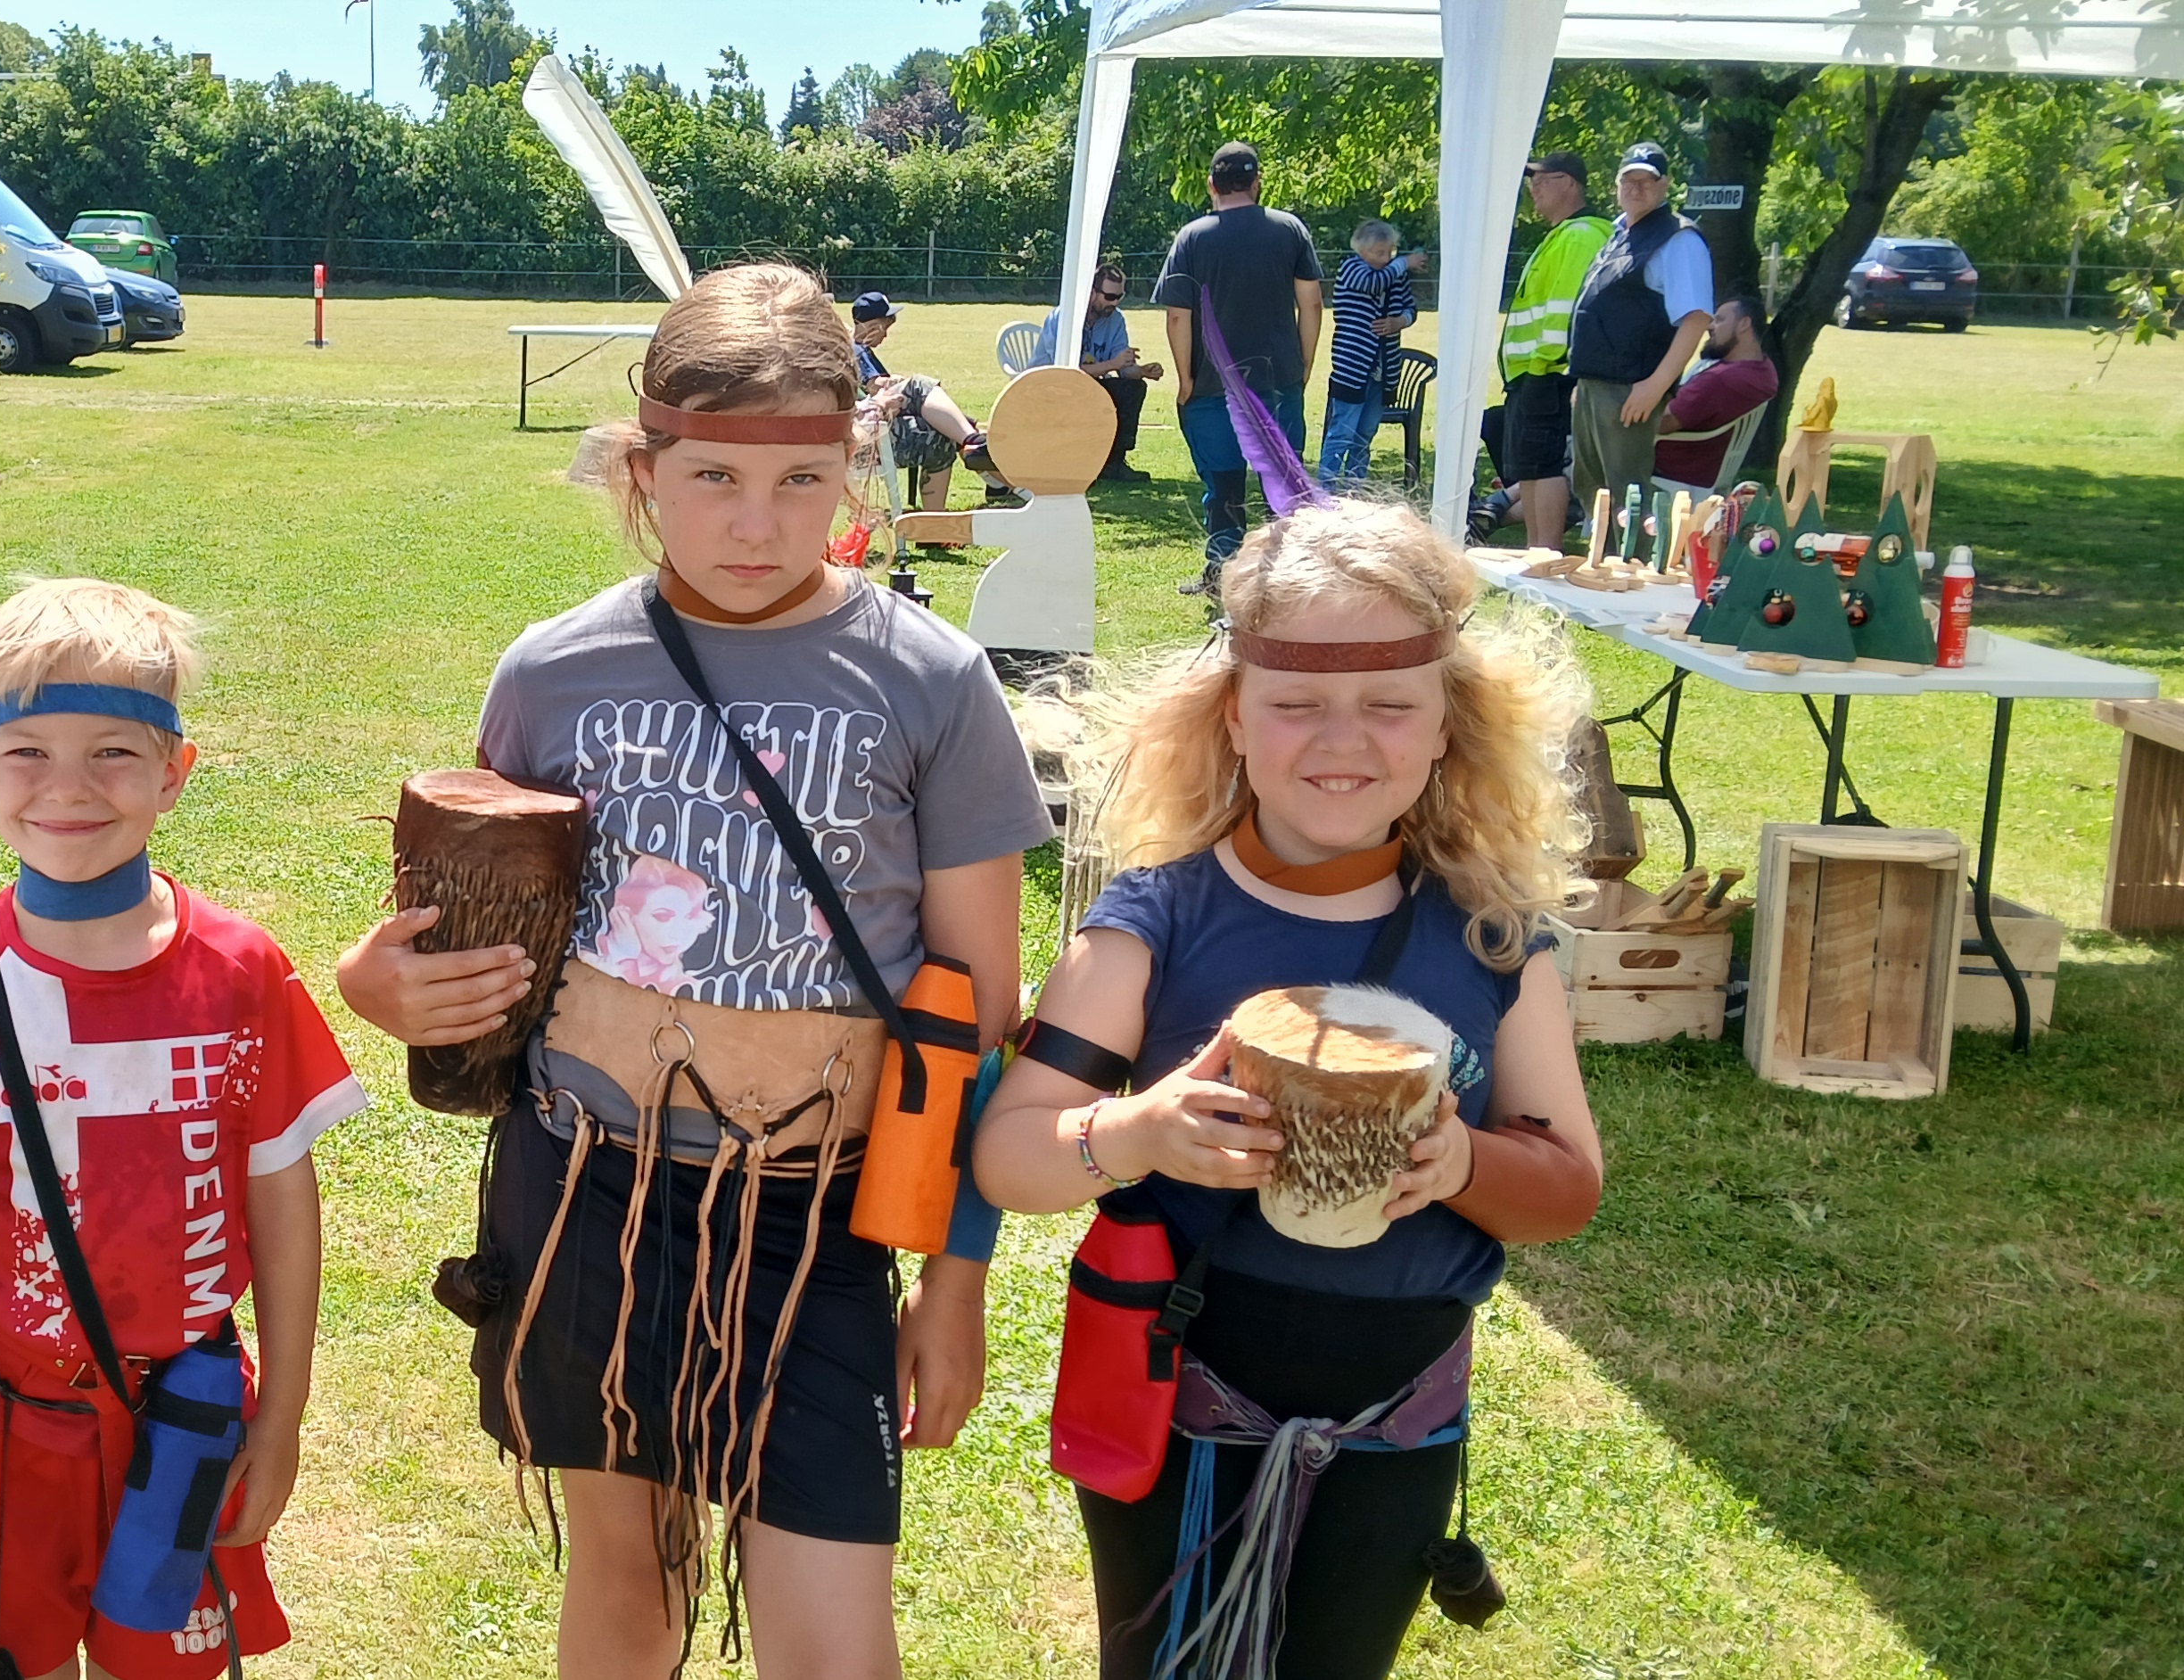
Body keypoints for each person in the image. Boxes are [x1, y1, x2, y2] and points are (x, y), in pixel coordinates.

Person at [336, 261, 1052, 1678]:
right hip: (585, 1193)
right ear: (643, 467)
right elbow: (477, 927)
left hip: (819, 1218)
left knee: (834, 1643)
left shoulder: (932, 682)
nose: (755, 522)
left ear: (851, 468)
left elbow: (978, 1019)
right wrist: (381, 986)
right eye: (713, 476)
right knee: (628, 1585)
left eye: (801, 482)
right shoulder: (554, 672)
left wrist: (956, 1278)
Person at [973, 498, 1606, 1679]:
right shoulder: (1152, 924)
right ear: (1232, 714)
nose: (1341, 740)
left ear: (1448, 723)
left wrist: (1464, 1164)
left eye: (1389, 705)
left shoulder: (1491, 940)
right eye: (1297, 703)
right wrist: (1139, 1131)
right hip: (1178, 1401)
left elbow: (1567, 1187)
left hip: (1395, 1423)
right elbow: (1011, 1154)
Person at [0, 578, 360, 1678]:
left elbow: (282, 1200)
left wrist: (279, 1422)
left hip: (184, 1419)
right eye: (28, 753)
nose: (70, 789)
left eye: (115, 753)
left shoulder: (242, 974)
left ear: (175, 772)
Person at [1155, 142, 1324, 593]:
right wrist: (1304, 363)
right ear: (1256, 182)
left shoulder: (1192, 237)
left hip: (1213, 385)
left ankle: (1223, 572)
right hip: (1278, 378)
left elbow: (1178, 316)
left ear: (1211, 184)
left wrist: (1186, 379)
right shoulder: (1290, 229)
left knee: (1224, 483)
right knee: (1284, 482)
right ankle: (1287, 575)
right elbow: (1311, 304)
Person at [1567, 143, 1714, 528]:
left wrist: (1655, 386)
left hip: (1631, 391)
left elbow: (1696, 319)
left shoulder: (1679, 239)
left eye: (1647, 180)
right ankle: (1603, 563)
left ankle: (1636, 566)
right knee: (1594, 495)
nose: (1636, 188)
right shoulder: (1620, 233)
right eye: (1628, 180)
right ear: (1617, 185)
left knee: (1629, 501)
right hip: (1595, 386)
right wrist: (1584, 382)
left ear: (1665, 185)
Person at [1489, 152, 1608, 548]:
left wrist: (1544, 367)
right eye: (1531, 181)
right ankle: (1535, 552)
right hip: (1533, 372)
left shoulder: (1581, 235)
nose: (1533, 188)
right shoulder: (1562, 235)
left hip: (1550, 372)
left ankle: (1546, 553)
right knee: (1531, 468)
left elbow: (1567, 310)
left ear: (1569, 183)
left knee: (1545, 465)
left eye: (1543, 179)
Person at [851, 290, 994, 511]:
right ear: (872, 327)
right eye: (884, 328)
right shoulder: (857, 350)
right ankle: (980, 449)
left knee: (946, 426)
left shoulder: (858, 350)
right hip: (869, 432)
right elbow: (875, 386)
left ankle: (990, 472)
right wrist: (898, 381)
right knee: (920, 386)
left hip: (870, 426)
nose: (886, 335)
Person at [1038, 260, 1162, 484]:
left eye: (1119, 297)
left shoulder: (1115, 320)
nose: (1114, 303)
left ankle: (1113, 462)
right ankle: (1076, 463)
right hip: (1047, 386)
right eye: (1110, 296)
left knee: (1133, 388)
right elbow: (1066, 372)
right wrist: (1113, 364)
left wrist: (1141, 371)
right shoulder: (1064, 318)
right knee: (1079, 390)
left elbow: (1122, 369)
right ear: (1092, 292)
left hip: (1089, 384)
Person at [1643, 294, 1778, 492]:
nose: (1710, 326)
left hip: (1673, 470)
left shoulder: (1720, 379)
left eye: (1720, 320)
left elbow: (1663, 422)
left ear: (1744, 324)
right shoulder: (1764, 370)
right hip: (1708, 468)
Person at [1317, 221, 1416, 490]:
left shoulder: (1395, 274)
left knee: (1366, 433)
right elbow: (1373, 284)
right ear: (1361, 251)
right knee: (1342, 431)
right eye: (1378, 252)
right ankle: (1325, 489)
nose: (1386, 258)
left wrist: (1401, 321)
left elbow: (1410, 307)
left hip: (1385, 368)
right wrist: (1404, 263)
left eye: (1390, 252)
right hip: (1353, 366)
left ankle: (1354, 487)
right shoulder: (1352, 269)